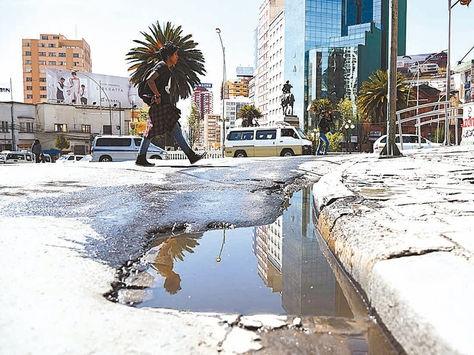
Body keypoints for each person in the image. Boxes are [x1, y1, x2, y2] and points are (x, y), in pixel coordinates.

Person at [136, 41, 206, 167]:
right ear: (169, 56)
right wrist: (157, 95)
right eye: (175, 54)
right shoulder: (162, 66)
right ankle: (191, 156)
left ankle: (191, 155)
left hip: (164, 105)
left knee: (173, 128)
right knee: (154, 131)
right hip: (161, 106)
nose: (177, 57)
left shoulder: (165, 68)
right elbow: (150, 80)